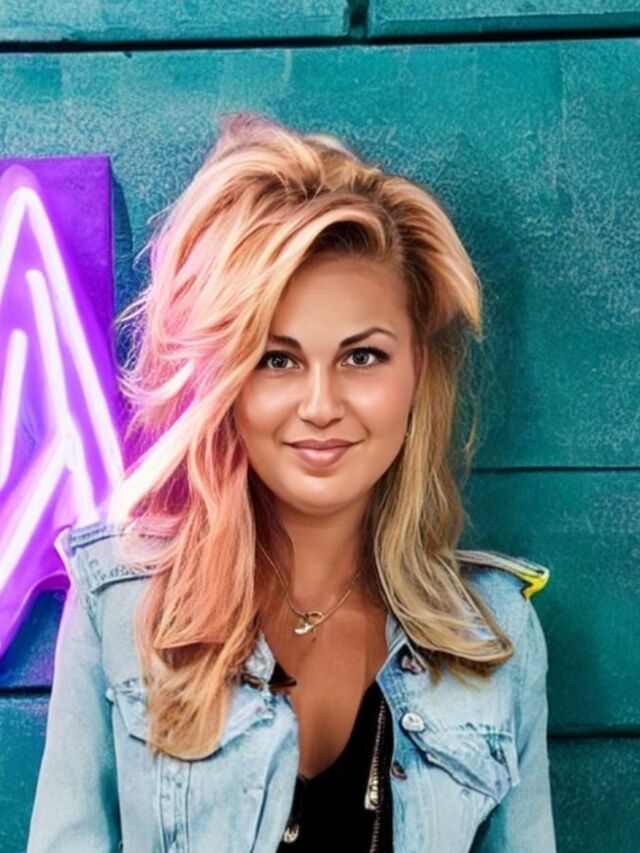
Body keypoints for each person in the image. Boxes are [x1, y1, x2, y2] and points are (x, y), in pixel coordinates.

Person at [27, 112, 556, 852]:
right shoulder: (122, 606)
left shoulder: (493, 636)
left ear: (417, 372)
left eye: (362, 356)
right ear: (226, 381)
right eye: (277, 359)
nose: (321, 405)